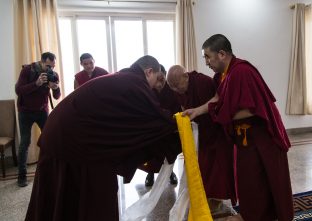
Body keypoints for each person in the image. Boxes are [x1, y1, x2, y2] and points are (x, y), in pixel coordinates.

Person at [25, 55, 181, 221]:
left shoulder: (125, 78)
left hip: (64, 134)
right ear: (149, 72)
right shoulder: (135, 83)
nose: (158, 87)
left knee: (80, 195)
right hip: (68, 139)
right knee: (99, 194)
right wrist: (182, 123)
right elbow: (155, 118)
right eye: (159, 79)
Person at [183, 34, 294, 221]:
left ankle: (267, 215)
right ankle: (251, 215)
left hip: (262, 137)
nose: (206, 62)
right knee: (249, 180)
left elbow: (252, 109)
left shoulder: (242, 71)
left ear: (221, 54)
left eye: (208, 57)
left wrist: (219, 115)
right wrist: (198, 111)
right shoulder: (222, 75)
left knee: (267, 179)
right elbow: (218, 99)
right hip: (245, 138)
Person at [166, 65, 236, 213]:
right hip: (199, 135)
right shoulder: (179, 87)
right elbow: (182, 105)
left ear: (186, 76)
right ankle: (203, 199)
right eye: (175, 89)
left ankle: (216, 201)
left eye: (179, 87)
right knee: (201, 169)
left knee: (217, 170)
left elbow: (216, 104)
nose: (178, 91)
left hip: (215, 132)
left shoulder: (202, 82)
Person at [15, 52, 61, 187]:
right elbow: (19, 91)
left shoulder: (53, 74)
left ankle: (51, 170)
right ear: (41, 62)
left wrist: (56, 88)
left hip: (42, 111)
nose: (50, 69)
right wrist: (36, 83)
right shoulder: (27, 70)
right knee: (25, 142)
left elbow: (57, 96)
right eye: (47, 66)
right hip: (25, 112)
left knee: (49, 139)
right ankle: (21, 176)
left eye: (52, 67)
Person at [140, 64, 180, 187]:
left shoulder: (172, 88)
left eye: (162, 78)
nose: (160, 82)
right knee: (152, 150)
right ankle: (150, 173)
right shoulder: (147, 88)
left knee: (170, 150)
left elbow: (178, 107)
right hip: (154, 127)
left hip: (169, 125)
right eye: (158, 79)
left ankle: (170, 172)